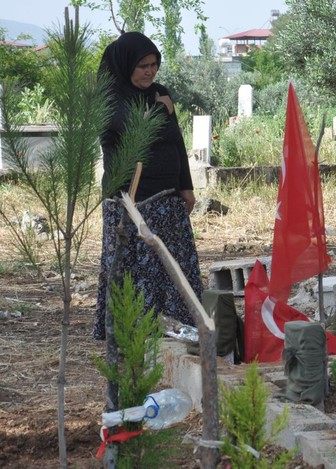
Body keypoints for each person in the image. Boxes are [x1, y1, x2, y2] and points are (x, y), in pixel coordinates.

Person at [93, 32, 202, 340]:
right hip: (131, 203)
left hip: (167, 200)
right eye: (142, 65)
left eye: (154, 65)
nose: (150, 72)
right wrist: (162, 110)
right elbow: (132, 128)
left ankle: (176, 331)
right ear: (126, 64)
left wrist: (186, 186)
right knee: (136, 270)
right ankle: (133, 334)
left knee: (172, 268)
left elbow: (177, 142)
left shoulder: (159, 92)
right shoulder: (110, 97)